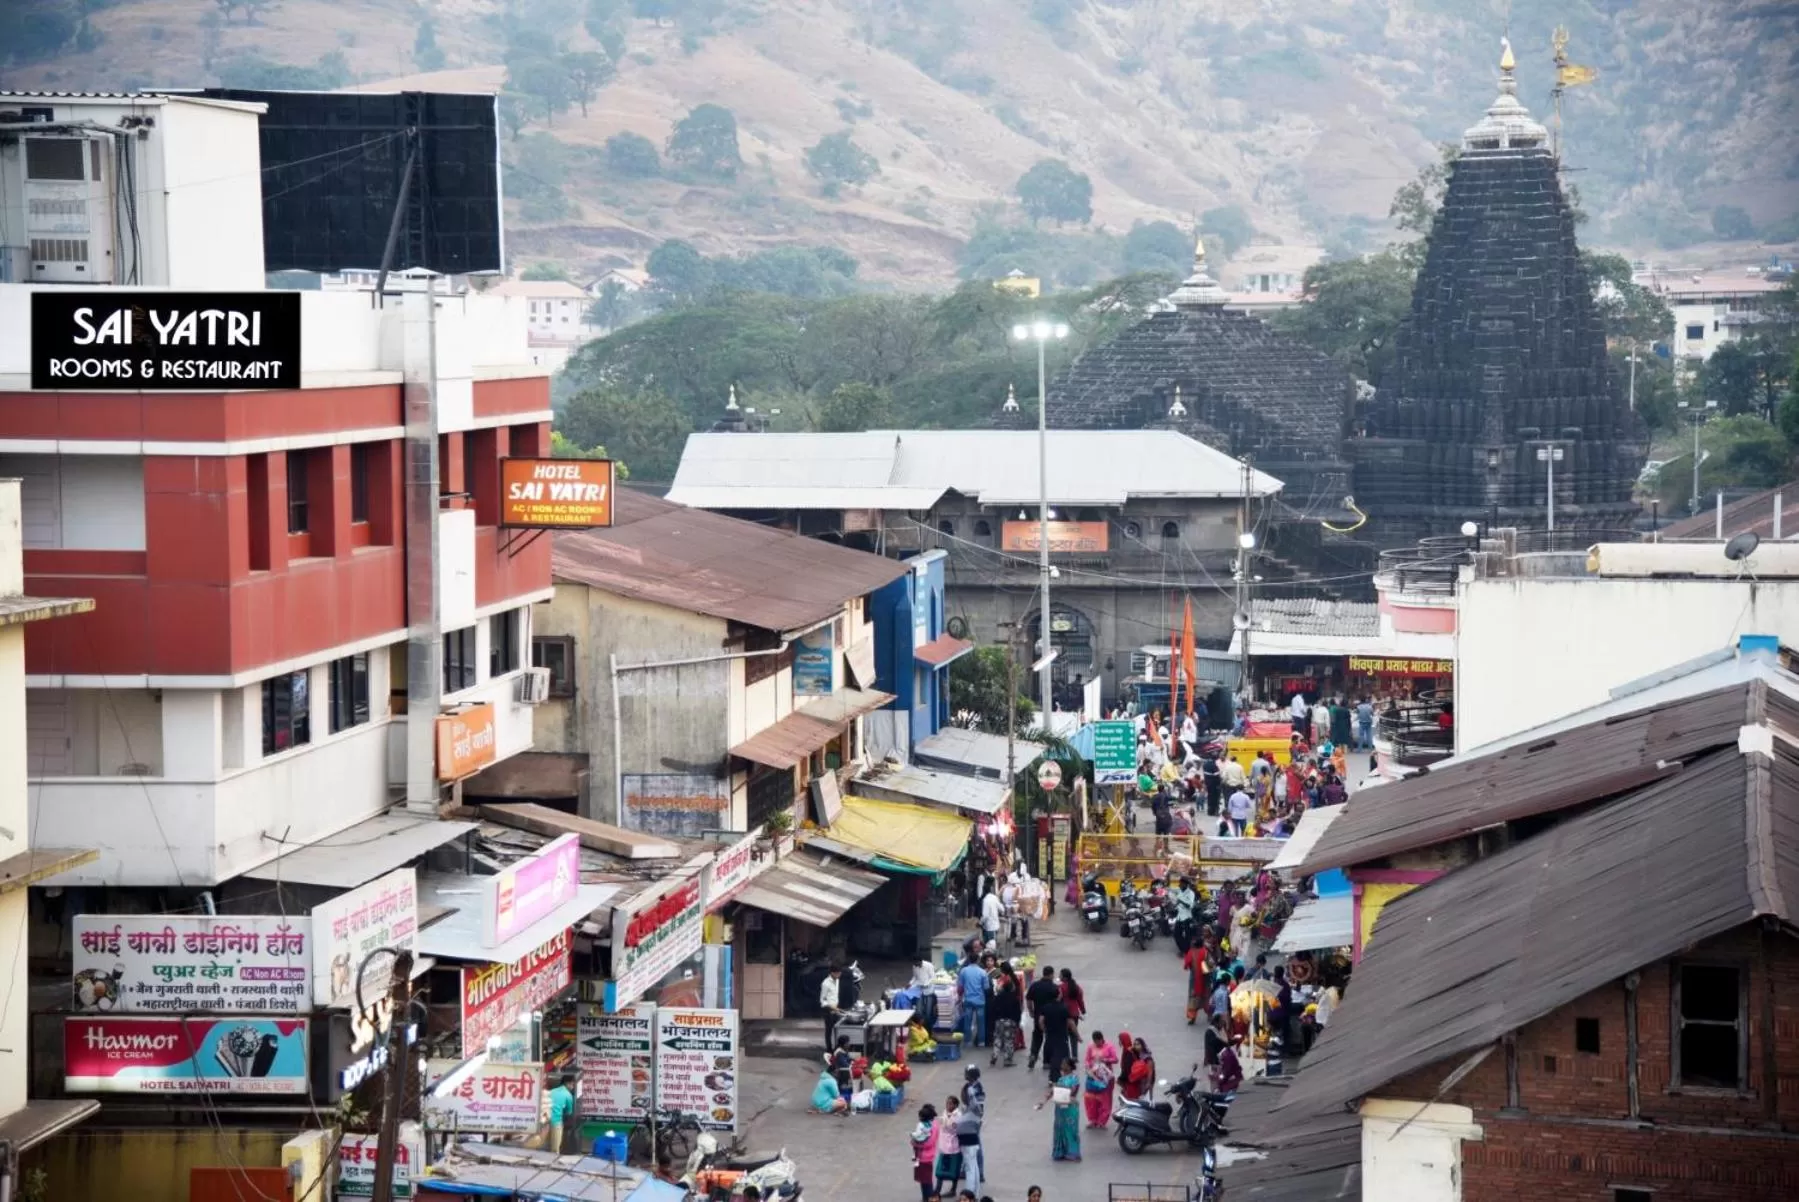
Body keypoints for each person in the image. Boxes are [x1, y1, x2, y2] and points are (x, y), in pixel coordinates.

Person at [1036, 1056, 1083, 1162]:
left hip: (1070, 1108)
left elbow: (1073, 1091)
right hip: (1060, 1110)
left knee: (1071, 1130)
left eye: (1064, 1063)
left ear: (1070, 1067)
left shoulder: (1074, 1079)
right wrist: (1042, 1102)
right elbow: (1051, 1092)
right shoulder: (1060, 1079)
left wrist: (1060, 1089)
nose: (1062, 1065)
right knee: (1059, 1130)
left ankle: (1073, 1153)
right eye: (1062, 1063)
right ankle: (1060, 1152)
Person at [1033, 978, 1073, 1086]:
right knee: (1060, 1057)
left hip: (1050, 1035)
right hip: (1061, 1036)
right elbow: (1070, 1022)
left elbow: (1041, 1021)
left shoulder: (1045, 1008)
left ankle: (1053, 1076)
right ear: (1058, 995)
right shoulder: (1063, 1008)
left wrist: (1044, 1029)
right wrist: (1077, 1035)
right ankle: (1057, 1078)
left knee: (1053, 1056)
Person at [1024, 966, 1060, 1071]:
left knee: (1037, 1036)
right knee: (1049, 1039)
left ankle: (1033, 1054)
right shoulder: (1054, 987)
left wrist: (1031, 1011)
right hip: (1051, 1016)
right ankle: (1046, 1062)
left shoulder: (1034, 986)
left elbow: (1029, 1000)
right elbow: (1058, 1001)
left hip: (1037, 1015)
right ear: (1051, 974)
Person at [1083, 1029, 1118, 1129]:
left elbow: (1115, 1059)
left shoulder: (1109, 1046)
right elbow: (1087, 1059)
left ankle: (1102, 1121)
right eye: (1095, 1042)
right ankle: (1092, 1120)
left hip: (1105, 1077)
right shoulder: (1091, 1047)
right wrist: (1088, 1066)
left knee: (1105, 1100)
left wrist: (1105, 1060)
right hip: (1093, 1077)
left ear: (1102, 1039)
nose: (1096, 1044)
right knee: (1091, 1099)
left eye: (1098, 1041)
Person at [957, 952, 991, 1048]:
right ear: (978, 960)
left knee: (967, 1021)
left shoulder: (963, 971)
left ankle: (967, 1041)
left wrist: (960, 997)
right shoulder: (982, 972)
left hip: (968, 999)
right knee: (981, 1023)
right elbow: (986, 987)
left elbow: (960, 987)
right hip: (980, 1000)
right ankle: (981, 1042)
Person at [934, 1096, 965, 1199]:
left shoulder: (958, 1115)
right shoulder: (945, 1112)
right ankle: (937, 1190)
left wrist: (944, 1122)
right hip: (944, 1147)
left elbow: (952, 1127)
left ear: (956, 1105)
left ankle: (953, 1189)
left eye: (950, 1104)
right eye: (947, 1103)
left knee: (954, 1170)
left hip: (953, 1147)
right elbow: (943, 1123)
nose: (948, 1106)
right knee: (940, 1170)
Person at [909, 1104, 939, 1201]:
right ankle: (925, 1198)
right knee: (924, 1180)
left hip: (925, 1157)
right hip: (922, 1157)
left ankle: (928, 1198)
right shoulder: (931, 1124)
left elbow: (928, 1143)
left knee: (927, 1181)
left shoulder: (932, 1127)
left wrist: (914, 1143)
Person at [547, 1073, 577, 1152]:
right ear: (568, 1083)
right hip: (556, 1122)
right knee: (555, 1149)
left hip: (545, 1121)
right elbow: (569, 1112)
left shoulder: (552, 1091)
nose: (573, 1087)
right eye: (573, 1085)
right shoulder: (568, 1095)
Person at [1182, 937, 1209, 1024]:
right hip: (1204, 978)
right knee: (1206, 996)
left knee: (1193, 998)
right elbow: (1209, 966)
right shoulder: (1205, 952)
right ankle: (1209, 1014)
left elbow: (1186, 964)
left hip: (1194, 979)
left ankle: (1192, 1017)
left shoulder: (1191, 952)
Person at [1119, 1035, 1154, 1102]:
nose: (1136, 1046)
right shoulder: (1138, 1054)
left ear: (1143, 1045)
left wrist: (1148, 1083)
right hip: (1139, 1083)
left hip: (1145, 1083)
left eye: (1138, 1044)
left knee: (1145, 1102)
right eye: (1135, 1044)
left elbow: (1150, 1072)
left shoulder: (1147, 1058)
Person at [820, 963, 844, 1051]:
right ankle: (829, 1049)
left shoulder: (837, 980)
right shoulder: (825, 983)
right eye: (838, 973)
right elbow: (822, 1000)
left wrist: (836, 1007)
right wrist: (831, 1007)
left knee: (837, 1029)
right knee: (829, 1031)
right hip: (828, 1010)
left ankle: (837, 1048)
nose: (839, 975)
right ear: (832, 973)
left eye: (840, 973)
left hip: (835, 1008)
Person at [1058, 968, 1086, 1033]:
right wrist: (1083, 1011)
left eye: (1060, 975)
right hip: (1074, 1013)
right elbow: (1080, 1000)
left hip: (1063, 1013)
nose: (1059, 976)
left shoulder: (1060, 987)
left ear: (1065, 978)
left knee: (1064, 1034)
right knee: (1073, 1035)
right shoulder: (1076, 987)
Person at [1204, 1014, 1228, 1082]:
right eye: (1221, 1022)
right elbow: (1214, 1046)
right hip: (1214, 1061)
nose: (1223, 1024)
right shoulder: (1210, 1032)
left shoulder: (1217, 1031)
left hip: (1216, 1061)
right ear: (1216, 1022)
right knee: (1215, 1080)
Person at [980, 884, 1004, 950]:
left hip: (989, 926)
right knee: (992, 944)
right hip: (995, 925)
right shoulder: (994, 898)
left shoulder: (986, 900)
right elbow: (1002, 909)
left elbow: (985, 915)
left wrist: (980, 922)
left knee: (989, 946)